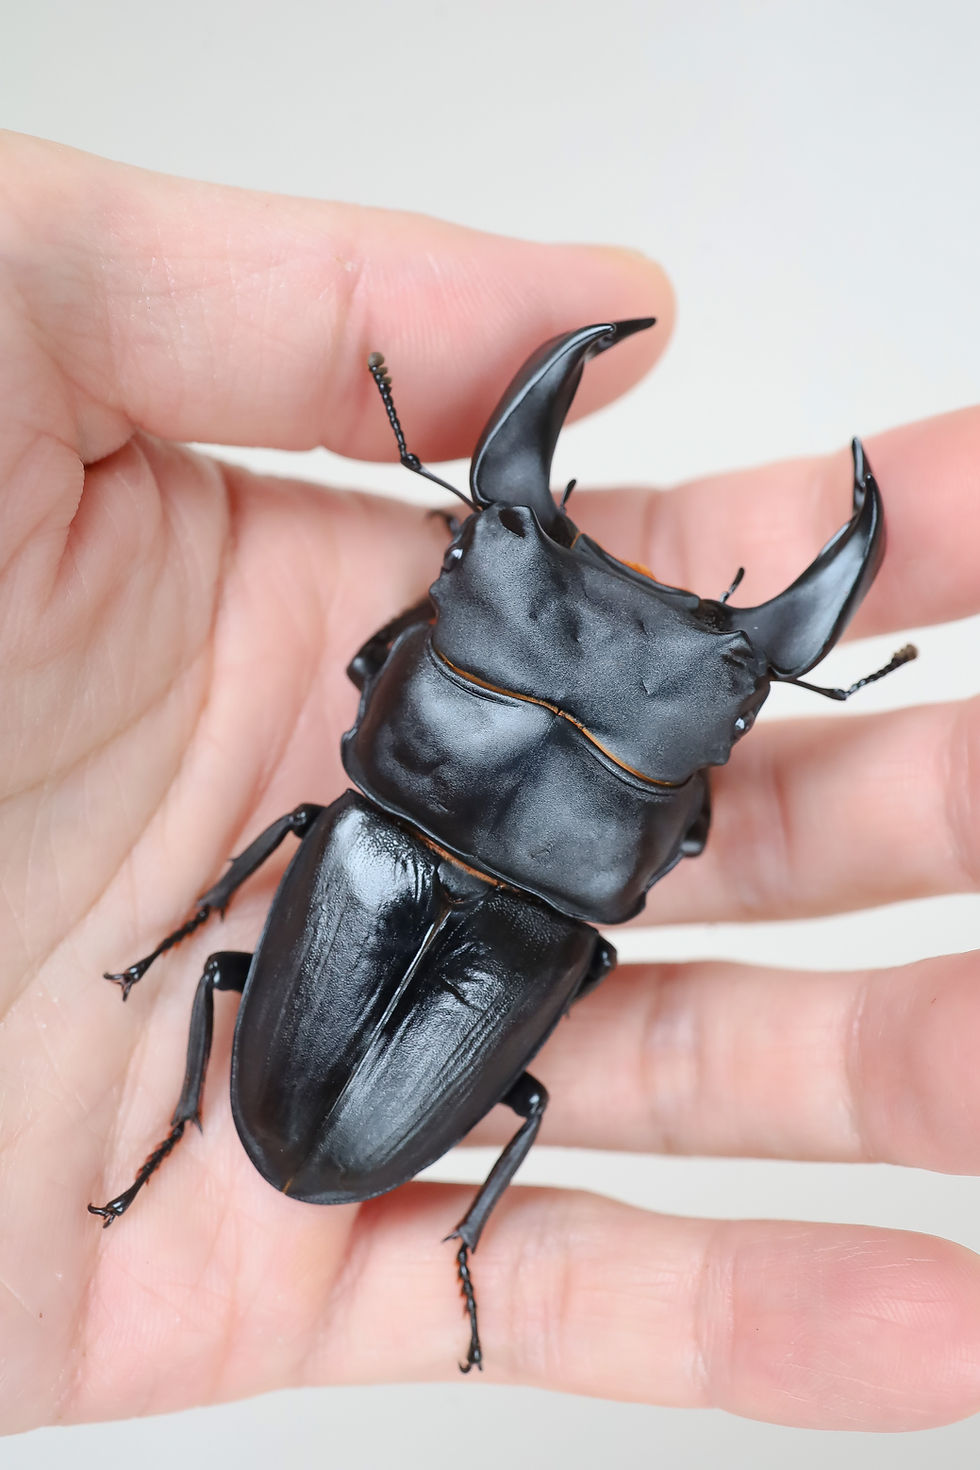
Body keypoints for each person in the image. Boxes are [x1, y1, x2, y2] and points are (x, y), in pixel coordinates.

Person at [1, 132, 978, 1436]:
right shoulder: (593, 900)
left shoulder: (357, 805)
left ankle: (206, 1107)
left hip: (412, 969)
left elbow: (378, 663)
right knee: (508, 1036)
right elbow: (675, 841)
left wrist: (467, 566)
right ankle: (378, 1204)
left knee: (270, 894)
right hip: (506, 960)